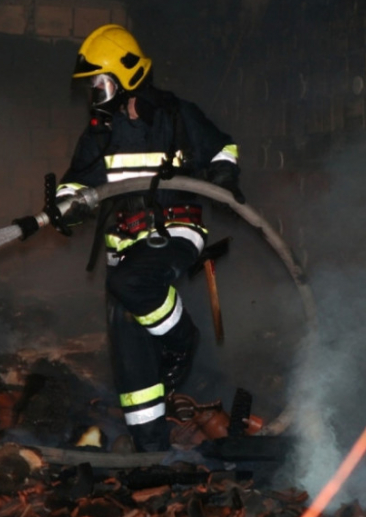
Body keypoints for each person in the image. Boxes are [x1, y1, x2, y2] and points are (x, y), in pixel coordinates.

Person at [55, 24, 245, 452]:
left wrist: (223, 174)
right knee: (132, 358)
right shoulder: (99, 134)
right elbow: (76, 183)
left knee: (132, 283)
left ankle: (181, 338)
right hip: (124, 246)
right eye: (92, 87)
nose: (96, 94)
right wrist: (66, 207)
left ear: (127, 77)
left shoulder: (176, 117)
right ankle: (151, 450)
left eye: (101, 83)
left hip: (174, 230)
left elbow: (223, 147)